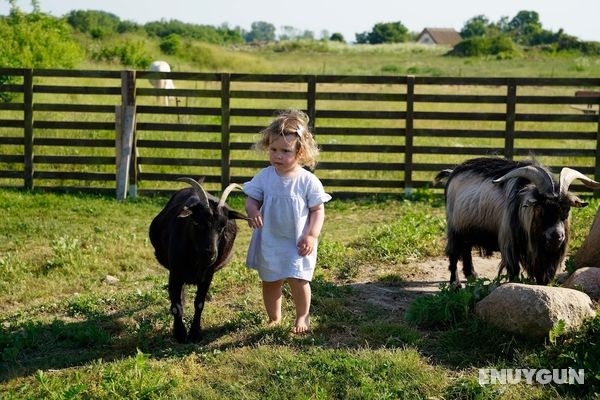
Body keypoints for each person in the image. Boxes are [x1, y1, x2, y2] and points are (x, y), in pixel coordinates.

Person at [243, 109, 331, 334]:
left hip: (297, 240)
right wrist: (252, 210)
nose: (277, 156)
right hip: (270, 238)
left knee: (298, 279)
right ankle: (274, 317)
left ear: (300, 152)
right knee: (270, 281)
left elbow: (317, 210)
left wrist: (312, 235)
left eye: (285, 151)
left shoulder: (307, 181)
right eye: (273, 149)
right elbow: (252, 199)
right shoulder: (265, 176)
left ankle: (302, 316)